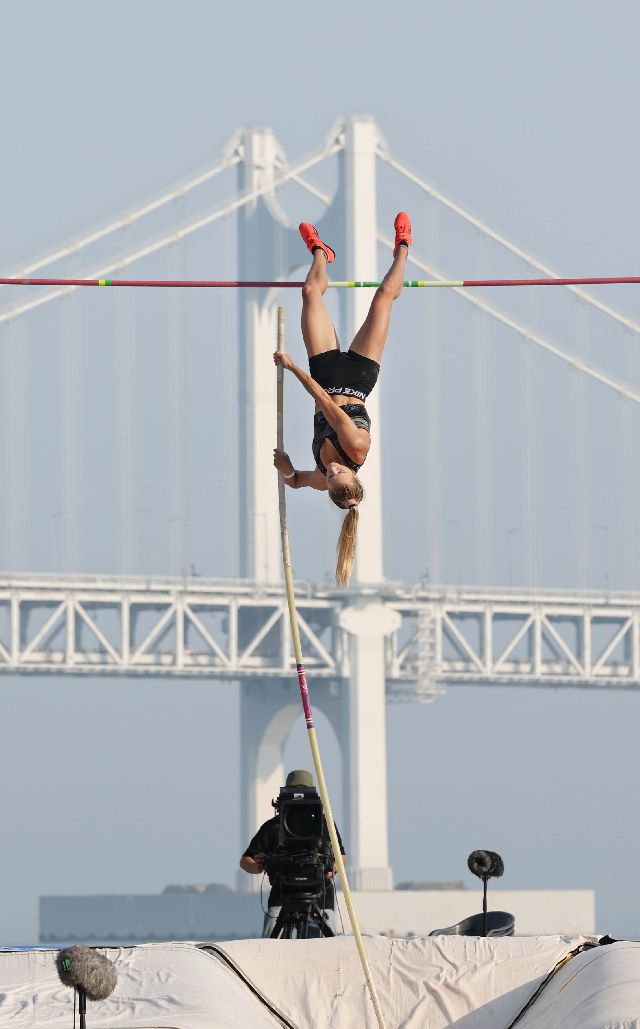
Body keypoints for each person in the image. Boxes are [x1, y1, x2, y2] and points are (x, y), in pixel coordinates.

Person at [273, 213, 412, 587]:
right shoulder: (357, 447)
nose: (331, 472)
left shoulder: (324, 479)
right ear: (352, 472)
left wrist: (286, 468)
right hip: (356, 375)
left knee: (308, 294)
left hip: (324, 370)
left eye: (330, 478)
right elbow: (322, 400)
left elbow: (298, 481)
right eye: (338, 474)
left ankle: (320, 252)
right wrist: (291, 367)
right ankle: (402, 248)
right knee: (383, 297)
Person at [239, 768, 346, 939]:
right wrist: (258, 866)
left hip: (320, 897)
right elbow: (246, 860)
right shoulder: (273, 827)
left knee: (328, 949)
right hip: (282, 899)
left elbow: (340, 855)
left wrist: (333, 868)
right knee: (269, 946)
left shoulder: (325, 825)